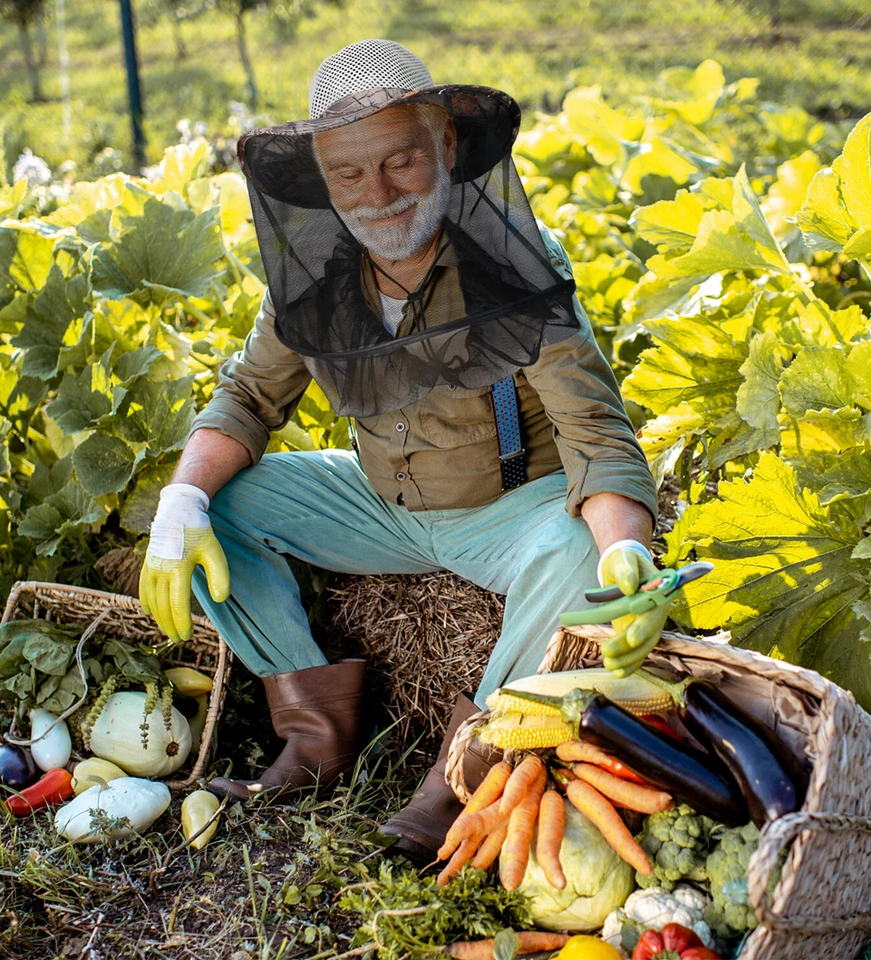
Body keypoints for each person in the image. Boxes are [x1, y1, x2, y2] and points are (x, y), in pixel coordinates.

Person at [139, 39, 664, 864]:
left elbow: (596, 435)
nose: (376, 193)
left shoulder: (514, 266)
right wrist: (180, 505)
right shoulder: (313, 285)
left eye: (401, 160)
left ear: (446, 149)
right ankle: (316, 735)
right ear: (322, 179)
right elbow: (246, 399)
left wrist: (626, 549)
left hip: (509, 505)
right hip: (382, 503)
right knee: (221, 502)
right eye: (348, 173)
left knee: (574, 553)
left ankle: (468, 772)